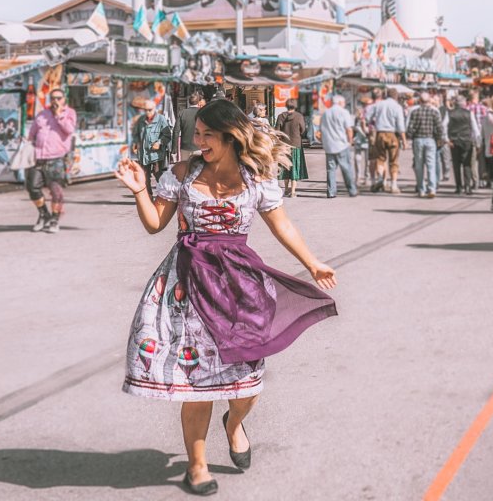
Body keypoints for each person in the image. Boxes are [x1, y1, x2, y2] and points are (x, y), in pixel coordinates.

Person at [115, 99, 338, 496]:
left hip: (239, 285)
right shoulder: (181, 174)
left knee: (247, 383)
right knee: (196, 383)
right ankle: (197, 466)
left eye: (206, 135)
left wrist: (313, 262)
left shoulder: (258, 178)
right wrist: (140, 191)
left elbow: (281, 224)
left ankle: (234, 424)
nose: (197, 141)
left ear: (231, 136)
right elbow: (154, 225)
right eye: (195, 133)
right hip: (186, 284)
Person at [25, 88, 77, 233]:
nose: (55, 101)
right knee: (33, 188)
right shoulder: (42, 114)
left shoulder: (69, 113)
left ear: (64, 99)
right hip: (39, 158)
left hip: (56, 158)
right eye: (53, 98)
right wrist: (27, 140)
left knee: (56, 192)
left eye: (59, 98)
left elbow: (69, 130)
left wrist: (59, 114)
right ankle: (44, 214)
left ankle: (54, 219)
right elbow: (32, 132)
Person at [364, 87, 407, 193]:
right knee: (393, 161)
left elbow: (367, 117)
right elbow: (401, 126)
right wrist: (404, 141)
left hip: (380, 134)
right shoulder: (397, 107)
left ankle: (380, 180)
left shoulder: (379, 105)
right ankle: (394, 186)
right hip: (392, 134)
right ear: (396, 96)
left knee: (380, 159)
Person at [132, 99, 173, 200]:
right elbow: (136, 134)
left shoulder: (161, 119)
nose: (147, 112)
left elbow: (167, 135)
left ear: (155, 109)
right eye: (145, 110)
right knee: (145, 177)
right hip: (144, 155)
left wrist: (160, 142)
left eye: (150, 110)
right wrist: (135, 143)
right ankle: (149, 197)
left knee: (159, 176)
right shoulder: (141, 120)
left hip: (157, 155)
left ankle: (164, 196)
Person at [406, 92, 444, 199]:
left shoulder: (415, 112)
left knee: (419, 166)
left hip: (418, 140)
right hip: (430, 140)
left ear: (420, 101)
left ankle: (421, 189)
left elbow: (410, 128)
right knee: (431, 165)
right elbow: (440, 128)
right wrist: (438, 138)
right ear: (429, 101)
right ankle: (432, 188)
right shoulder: (434, 112)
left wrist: (410, 136)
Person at [319, 95, 357, 198]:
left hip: (329, 146)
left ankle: (331, 192)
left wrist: (324, 142)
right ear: (340, 102)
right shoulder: (344, 112)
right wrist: (350, 141)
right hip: (341, 145)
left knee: (330, 170)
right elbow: (349, 129)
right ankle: (352, 190)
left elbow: (321, 130)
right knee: (346, 168)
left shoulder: (325, 114)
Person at [446, 94, 480, 196]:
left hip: (454, 141)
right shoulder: (469, 113)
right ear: (464, 103)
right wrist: (477, 142)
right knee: (467, 164)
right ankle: (468, 187)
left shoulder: (450, 113)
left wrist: (447, 139)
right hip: (466, 140)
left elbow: (443, 126)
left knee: (456, 165)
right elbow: (475, 129)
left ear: (455, 104)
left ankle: (458, 187)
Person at [274, 99, 307, 197]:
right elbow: (303, 130)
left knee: (285, 167)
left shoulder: (281, 116)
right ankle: (293, 191)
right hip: (296, 145)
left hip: (284, 145)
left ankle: (286, 189)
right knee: (294, 167)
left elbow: (277, 131)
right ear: (295, 106)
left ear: (286, 106)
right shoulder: (299, 116)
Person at [173, 91, 205, 160]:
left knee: (185, 169)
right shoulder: (202, 113)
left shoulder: (182, 113)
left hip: (185, 147)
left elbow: (176, 131)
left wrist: (174, 149)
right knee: (197, 169)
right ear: (198, 101)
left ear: (189, 101)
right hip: (198, 146)